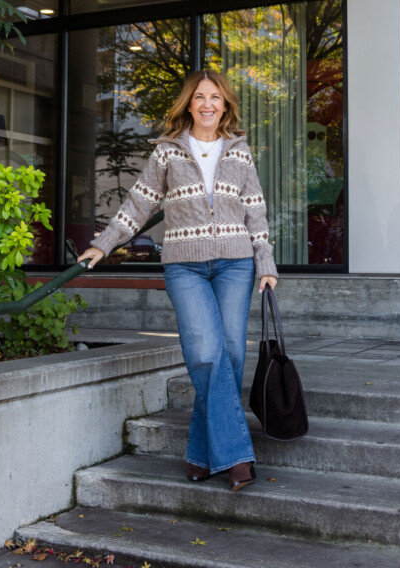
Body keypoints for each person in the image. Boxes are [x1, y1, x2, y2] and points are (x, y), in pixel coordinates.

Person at [77, 70, 278, 492]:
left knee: (231, 358)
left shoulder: (239, 152)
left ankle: (201, 455)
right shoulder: (167, 152)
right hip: (185, 266)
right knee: (206, 353)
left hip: (235, 264)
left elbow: (254, 211)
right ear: (189, 104)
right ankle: (238, 457)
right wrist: (106, 242)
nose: (208, 104)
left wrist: (266, 264)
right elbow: (140, 201)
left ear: (225, 105)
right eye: (200, 97)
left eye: (216, 97)